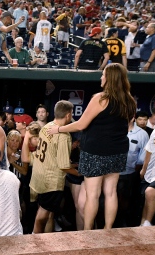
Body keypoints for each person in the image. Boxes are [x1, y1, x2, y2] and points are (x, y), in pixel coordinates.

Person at [46, 64, 136, 230]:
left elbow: (81, 125)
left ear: (110, 78)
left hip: (96, 152)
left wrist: (58, 129)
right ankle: (108, 229)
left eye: (103, 75)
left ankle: (88, 232)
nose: (101, 78)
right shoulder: (130, 101)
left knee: (92, 194)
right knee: (110, 192)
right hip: (118, 152)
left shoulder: (100, 99)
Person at [22, 100, 76, 234]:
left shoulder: (47, 126)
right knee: (44, 214)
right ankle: (35, 240)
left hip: (39, 177)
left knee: (46, 212)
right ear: (68, 115)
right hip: (51, 181)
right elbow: (64, 166)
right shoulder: (64, 136)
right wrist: (79, 172)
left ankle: (40, 239)